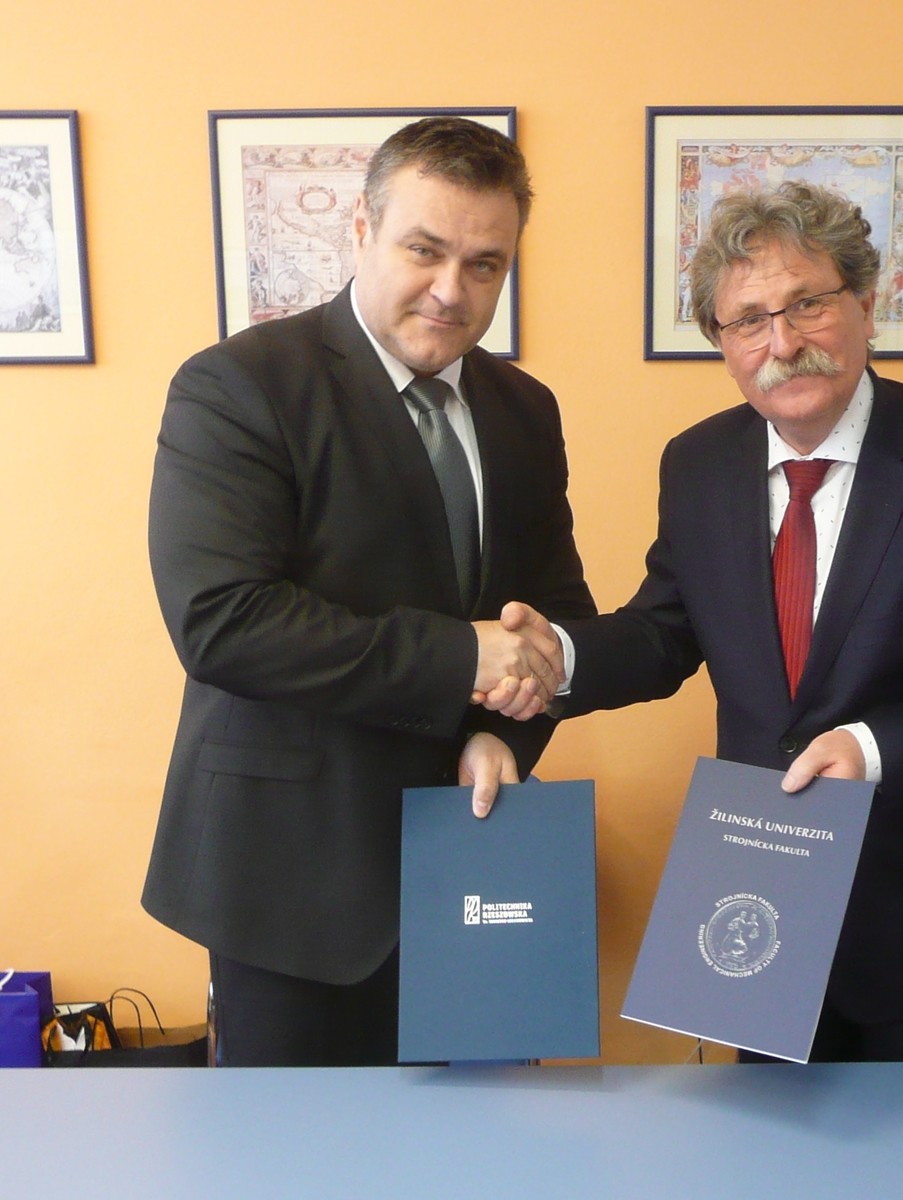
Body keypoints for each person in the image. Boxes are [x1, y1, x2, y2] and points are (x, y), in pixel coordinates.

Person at [488, 181, 903, 1062]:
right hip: (759, 912)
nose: (783, 343)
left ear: (866, 304)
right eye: (749, 320)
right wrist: (562, 656)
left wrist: (871, 750)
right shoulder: (698, 463)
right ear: (722, 343)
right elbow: (665, 632)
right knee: (768, 1141)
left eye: (809, 304)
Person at [143, 117, 593, 1066]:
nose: (452, 289)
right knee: (298, 1146)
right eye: (424, 250)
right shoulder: (238, 386)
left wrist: (505, 733)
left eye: (484, 264)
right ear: (361, 230)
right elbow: (224, 623)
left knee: (487, 1140)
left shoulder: (526, 409)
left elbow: (553, 617)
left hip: (476, 865)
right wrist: (463, 657)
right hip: (290, 887)